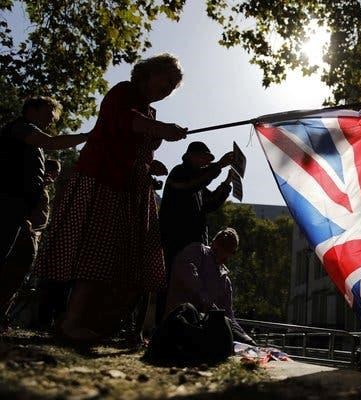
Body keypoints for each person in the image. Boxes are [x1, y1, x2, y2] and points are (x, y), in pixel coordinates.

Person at [33, 53, 188, 343]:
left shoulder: (149, 113)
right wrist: (162, 130)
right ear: (148, 72)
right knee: (95, 253)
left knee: (120, 261)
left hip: (130, 189)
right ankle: (71, 321)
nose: (167, 88)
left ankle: (96, 323)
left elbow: (133, 144)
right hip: (104, 181)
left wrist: (149, 163)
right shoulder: (124, 92)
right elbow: (127, 122)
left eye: (172, 86)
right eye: (165, 80)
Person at [0, 97, 87, 266]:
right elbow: (51, 142)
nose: (50, 121)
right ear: (32, 110)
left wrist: (38, 184)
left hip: (18, 206)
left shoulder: (31, 141)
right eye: (48, 115)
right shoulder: (21, 128)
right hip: (7, 200)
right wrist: (88, 135)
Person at [157, 142, 234, 321]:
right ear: (191, 156)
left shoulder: (198, 183)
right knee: (170, 284)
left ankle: (183, 327)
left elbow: (211, 202)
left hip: (193, 244)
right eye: (204, 158)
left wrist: (227, 183)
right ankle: (162, 326)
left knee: (190, 288)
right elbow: (192, 184)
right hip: (176, 240)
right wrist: (218, 166)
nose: (206, 163)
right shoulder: (179, 173)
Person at [165, 228, 255, 345]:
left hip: (203, 331)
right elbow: (186, 271)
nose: (224, 258)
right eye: (222, 248)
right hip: (180, 322)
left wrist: (246, 338)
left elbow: (228, 315)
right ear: (214, 243)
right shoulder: (197, 252)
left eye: (229, 252)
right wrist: (206, 299)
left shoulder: (224, 279)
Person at [0, 159, 62, 322]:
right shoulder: (33, 185)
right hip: (24, 236)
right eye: (53, 171)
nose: (54, 176)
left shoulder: (46, 189)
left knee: (17, 279)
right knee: (11, 276)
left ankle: (4, 315)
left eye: (56, 173)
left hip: (33, 237)